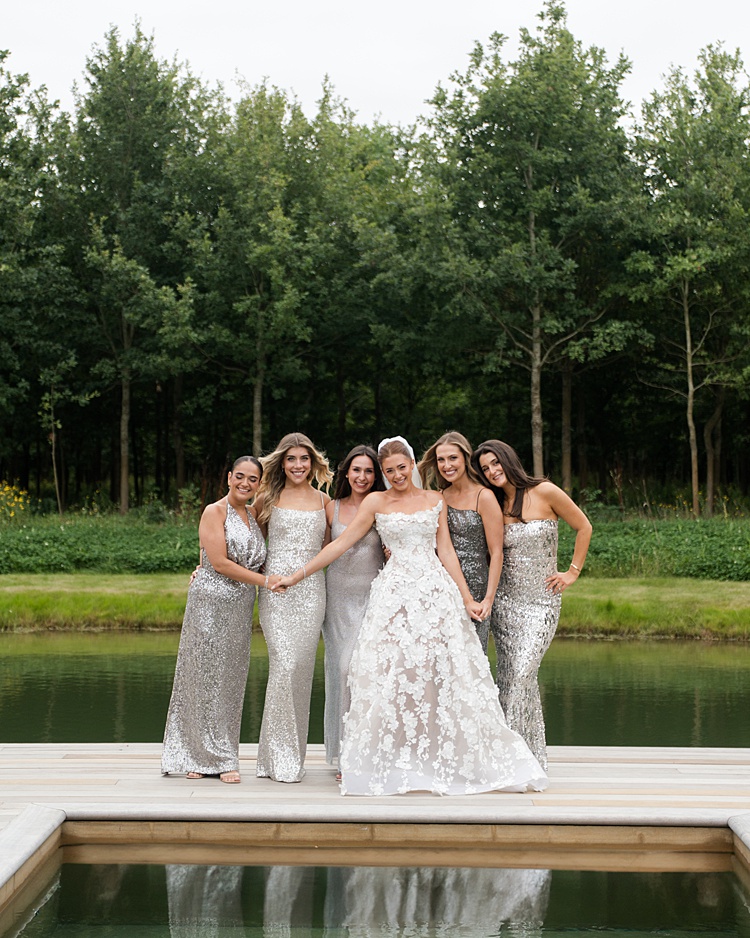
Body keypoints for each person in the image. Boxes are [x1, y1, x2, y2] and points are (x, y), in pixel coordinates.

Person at [274, 436, 546, 796]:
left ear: (412, 465)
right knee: (390, 673)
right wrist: (297, 575)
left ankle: (440, 756)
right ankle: (393, 757)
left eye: (402, 468)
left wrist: (467, 598)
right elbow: (340, 543)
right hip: (393, 596)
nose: (397, 475)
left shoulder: (435, 499)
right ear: (383, 473)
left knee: (439, 673)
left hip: (434, 593)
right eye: (389, 471)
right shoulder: (376, 502)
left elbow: (445, 551)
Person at [472, 439, 592, 770]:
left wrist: (572, 571)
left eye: (496, 463)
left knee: (523, 674)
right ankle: (524, 759)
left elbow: (583, 526)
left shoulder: (545, 491)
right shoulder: (493, 503)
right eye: (485, 468)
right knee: (510, 677)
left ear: (508, 459)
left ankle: (511, 758)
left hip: (541, 602)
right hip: (505, 603)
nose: (492, 471)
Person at [161, 456, 282, 783]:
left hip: (239, 608)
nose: (245, 483)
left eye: (252, 479)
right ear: (229, 477)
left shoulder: (254, 515)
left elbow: (249, 558)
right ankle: (200, 757)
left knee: (230, 679)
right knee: (202, 677)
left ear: (259, 484)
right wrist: (266, 582)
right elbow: (220, 562)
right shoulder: (214, 511)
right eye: (240, 476)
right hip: (210, 603)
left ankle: (219, 753)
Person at [253, 432, 333, 783]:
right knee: (283, 666)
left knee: (299, 670)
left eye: (304, 459)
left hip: (311, 592)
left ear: (313, 462)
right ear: (282, 463)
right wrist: (204, 564)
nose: (298, 465)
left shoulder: (325, 502)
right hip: (276, 592)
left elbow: (331, 548)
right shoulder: (267, 498)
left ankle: (287, 758)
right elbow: (245, 539)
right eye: (291, 459)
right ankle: (277, 758)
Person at [323, 445, 386, 775]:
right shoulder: (330, 508)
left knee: (358, 670)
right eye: (357, 470)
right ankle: (345, 751)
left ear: (376, 476)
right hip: (336, 598)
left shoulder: (383, 506)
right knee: (339, 673)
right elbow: (319, 549)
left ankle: (365, 751)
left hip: (371, 597)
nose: (362, 476)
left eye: (369, 471)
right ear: (346, 472)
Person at [418, 431, 504, 654]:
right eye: (441, 460)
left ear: (465, 458)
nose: (446, 465)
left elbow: (496, 552)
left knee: (473, 656)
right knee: (443, 658)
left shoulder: (484, 496)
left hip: (476, 587)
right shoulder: (440, 496)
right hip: (442, 585)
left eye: (452, 458)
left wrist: (488, 599)